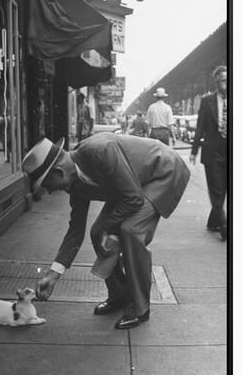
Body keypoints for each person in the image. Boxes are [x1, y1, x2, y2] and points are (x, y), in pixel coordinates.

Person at [22, 133, 190, 329]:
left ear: (59, 172)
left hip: (162, 171)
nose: (49, 191)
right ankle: (120, 295)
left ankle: (140, 306)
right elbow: (75, 232)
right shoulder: (75, 184)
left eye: (47, 185)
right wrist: (52, 275)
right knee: (97, 233)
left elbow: (134, 198)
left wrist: (109, 228)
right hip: (131, 185)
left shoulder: (101, 151)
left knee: (131, 230)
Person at [190, 66, 227, 241]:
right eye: (223, 80)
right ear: (217, 82)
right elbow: (200, 127)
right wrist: (194, 151)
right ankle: (225, 225)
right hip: (213, 150)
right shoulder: (207, 101)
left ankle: (214, 221)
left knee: (224, 189)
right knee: (216, 189)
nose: (227, 83)